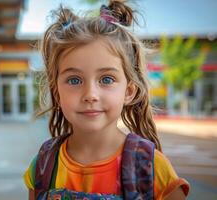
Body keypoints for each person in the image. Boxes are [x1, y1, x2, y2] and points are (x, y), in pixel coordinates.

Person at [23, 0, 190, 200]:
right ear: (57, 92)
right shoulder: (43, 166)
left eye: (106, 79)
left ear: (129, 91)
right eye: (74, 80)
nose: (90, 94)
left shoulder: (152, 169)